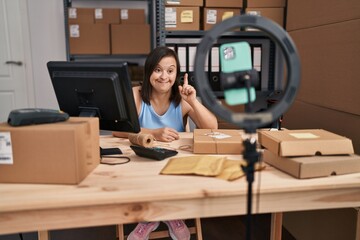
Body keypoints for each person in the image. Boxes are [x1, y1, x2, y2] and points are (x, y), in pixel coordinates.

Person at [115, 46, 218, 240]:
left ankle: (163, 215)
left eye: (170, 71)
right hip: (142, 167)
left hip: (175, 169)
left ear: (176, 74)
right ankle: (154, 218)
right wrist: (153, 133)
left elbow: (213, 128)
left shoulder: (182, 98)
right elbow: (117, 129)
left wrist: (194, 102)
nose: (164, 76)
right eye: (158, 70)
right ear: (149, 72)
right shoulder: (136, 94)